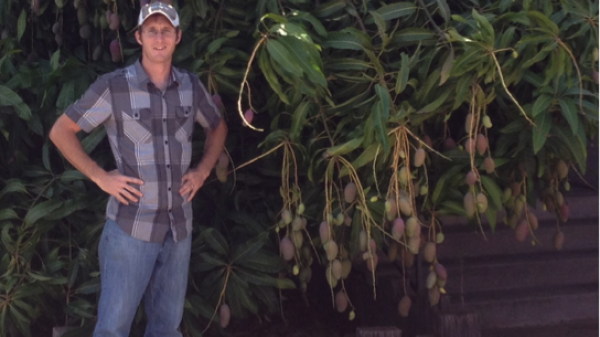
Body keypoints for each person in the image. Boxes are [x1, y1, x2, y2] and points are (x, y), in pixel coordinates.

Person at [49, 1, 227, 336]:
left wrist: (203, 170)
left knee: (166, 328)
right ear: (139, 37)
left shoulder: (191, 86)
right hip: (131, 229)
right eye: (151, 31)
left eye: (166, 31)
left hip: (178, 229)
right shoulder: (114, 87)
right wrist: (101, 177)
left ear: (178, 36)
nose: (159, 38)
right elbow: (62, 130)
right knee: (113, 328)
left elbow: (217, 126)